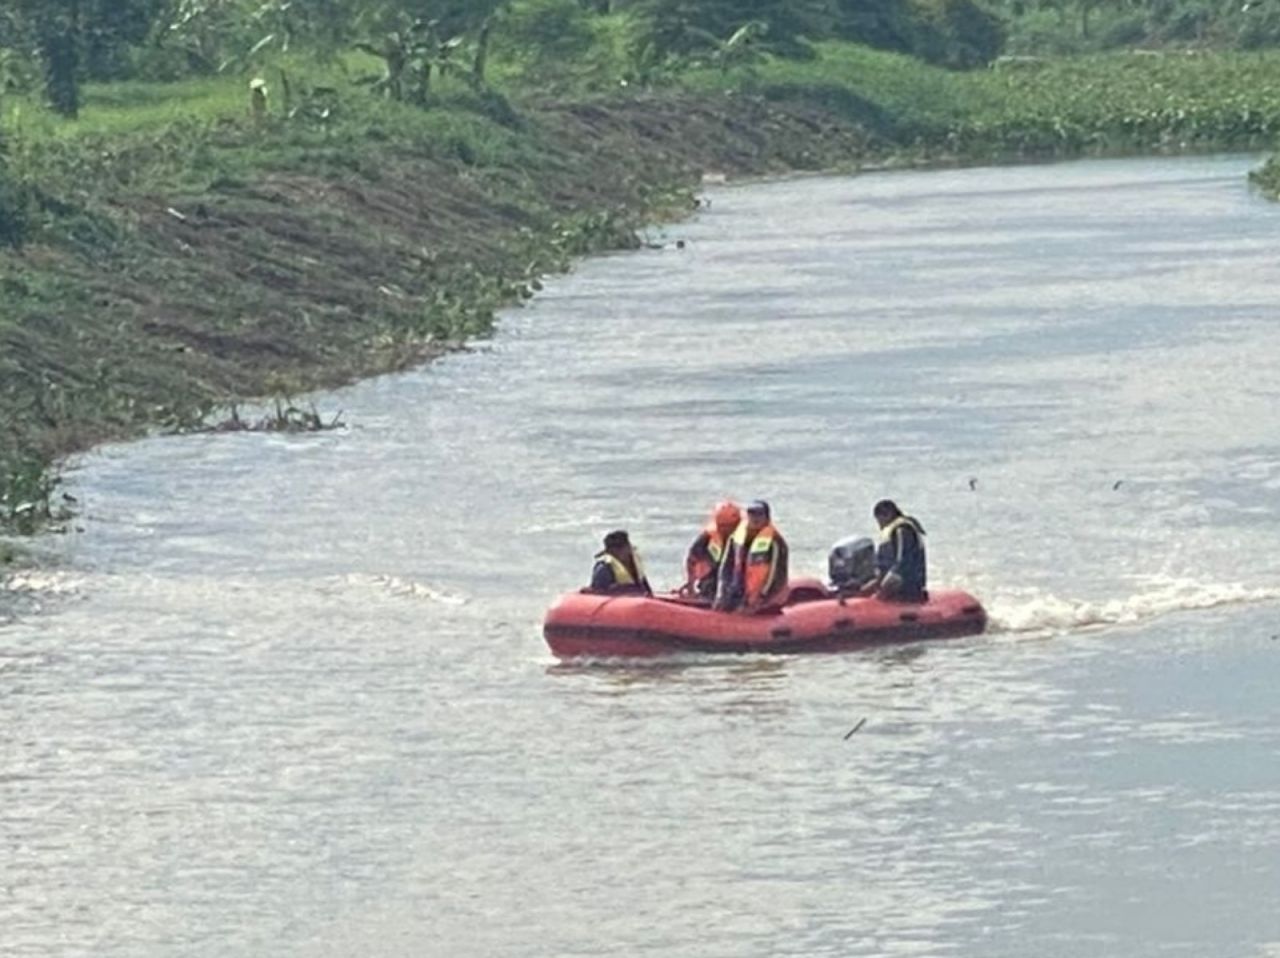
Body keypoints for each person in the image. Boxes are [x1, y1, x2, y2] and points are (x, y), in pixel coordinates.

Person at [715, 500, 789, 613]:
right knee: (723, 605)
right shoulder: (736, 537)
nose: (755, 518)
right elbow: (726, 567)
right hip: (739, 590)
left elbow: (777, 574)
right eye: (751, 514)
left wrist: (762, 597)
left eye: (759, 514)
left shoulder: (775, 542)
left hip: (765, 596)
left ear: (767, 518)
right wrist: (721, 593)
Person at [862, 499, 927, 601]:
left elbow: (903, 561)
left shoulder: (902, 530)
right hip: (894, 586)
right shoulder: (894, 531)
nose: (879, 525)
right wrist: (876, 582)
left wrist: (885, 586)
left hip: (907, 590)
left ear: (887, 515)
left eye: (879, 520)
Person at [684, 500, 741, 600]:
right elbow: (692, 559)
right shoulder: (708, 536)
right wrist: (690, 586)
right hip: (712, 582)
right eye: (721, 525)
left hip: (735, 583)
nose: (724, 529)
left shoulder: (746, 538)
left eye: (729, 526)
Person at [589, 530, 653, 596]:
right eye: (616, 549)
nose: (620, 552)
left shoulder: (635, 567)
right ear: (610, 552)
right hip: (617, 603)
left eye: (623, 548)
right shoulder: (604, 568)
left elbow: (647, 591)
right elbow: (597, 595)